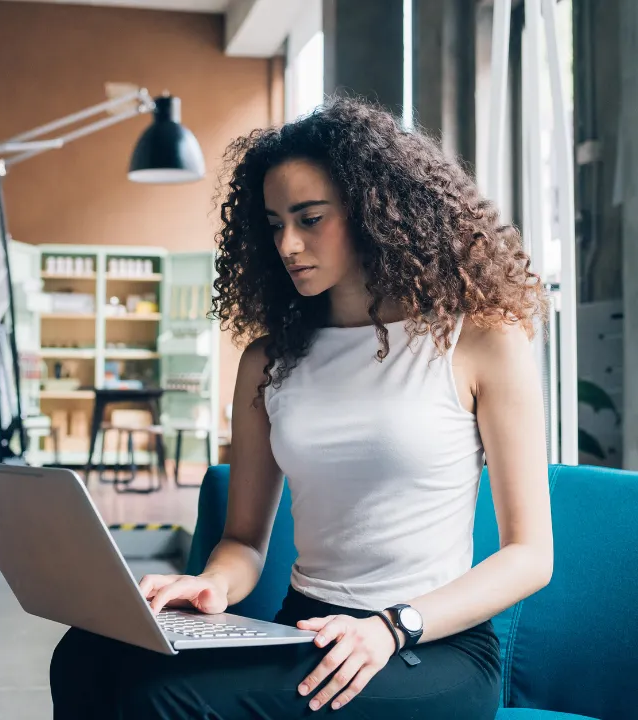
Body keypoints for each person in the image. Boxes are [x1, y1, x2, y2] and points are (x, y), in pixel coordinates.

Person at [50, 97, 553, 718]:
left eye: (310, 218)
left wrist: (393, 626)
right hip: (303, 630)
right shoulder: (270, 359)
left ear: (376, 212)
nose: (288, 244)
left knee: (165, 697)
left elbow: (530, 555)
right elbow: (243, 541)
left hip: (429, 645)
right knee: (83, 655)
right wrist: (212, 584)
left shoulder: (480, 342)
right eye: (273, 223)